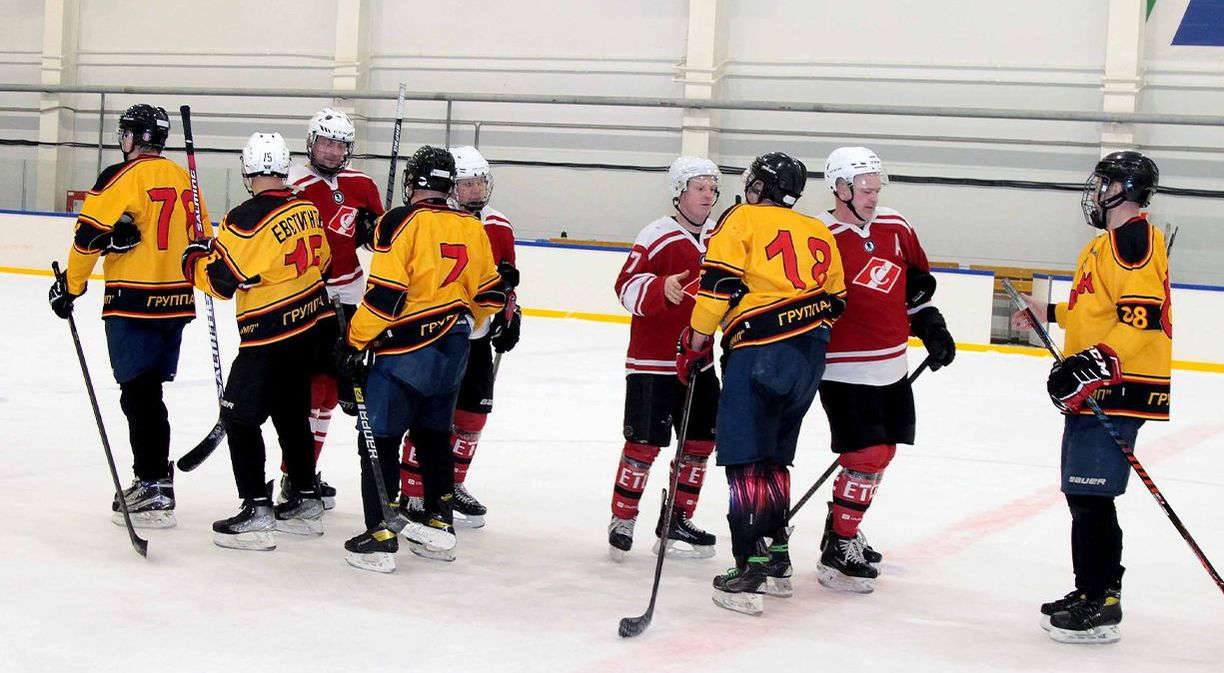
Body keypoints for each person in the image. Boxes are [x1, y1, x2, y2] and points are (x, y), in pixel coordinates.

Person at [677, 152, 846, 615]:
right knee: (774, 458)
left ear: (759, 186)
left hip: (758, 354)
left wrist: (696, 341)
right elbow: (837, 300)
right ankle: (776, 560)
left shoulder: (741, 218)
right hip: (808, 358)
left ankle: (749, 568)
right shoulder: (818, 229)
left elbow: (717, 286)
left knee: (745, 460)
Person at [1012, 151, 1169, 644]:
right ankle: (1091, 590)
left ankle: (1102, 601)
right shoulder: (1105, 244)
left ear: (1123, 189)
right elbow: (1099, 309)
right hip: (1101, 383)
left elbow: (1141, 319)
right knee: (1082, 494)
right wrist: (1050, 312)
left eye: (1104, 184)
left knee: (1092, 495)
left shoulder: (1134, 239)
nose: (1096, 193)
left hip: (1119, 385)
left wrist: (1095, 363)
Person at [336, 146, 509, 574]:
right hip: (454, 352)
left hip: (405, 352)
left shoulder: (401, 221)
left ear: (412, 182)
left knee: (379, 439)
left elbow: (385, 297)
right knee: (433, 437)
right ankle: (439, 524)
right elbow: (490, 295)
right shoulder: (471, 225)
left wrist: (354, 341)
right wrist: (457, 319)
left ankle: (380, 535)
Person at [48, 103, 211, 530]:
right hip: (177, 303)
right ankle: (157, 479)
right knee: (149, 393)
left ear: (135, 138)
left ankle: (153, 483)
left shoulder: (119, 176)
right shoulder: (184, 178)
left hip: (133, 301)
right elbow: (203, 239)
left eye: (125, 133)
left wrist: (71, 286)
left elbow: (87, 236)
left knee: (138, 395)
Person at [182, 132, 335, 551]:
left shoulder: (243, 219)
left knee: (238, 417)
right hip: (309, 330)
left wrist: (193, 259)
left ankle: (256, 509)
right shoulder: (306, 207)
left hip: (268, 337)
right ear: (284, 167)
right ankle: (305, 499)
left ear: (248, 170)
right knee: (291, 414)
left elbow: (221, 282)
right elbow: (322, 263)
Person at [814, 147, 956, 593]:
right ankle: (838, 548)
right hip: (843, 367)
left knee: (884, 452)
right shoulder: (818, 234)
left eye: (877, 188)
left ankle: (843, 527)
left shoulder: (896, 225)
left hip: (892, 362)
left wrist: (931, 327)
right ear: (840, 188)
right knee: (867, 454)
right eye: (865, 189)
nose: (874, 197)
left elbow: (914, 285)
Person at [398, 145, 520, 538]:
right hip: (436, 335)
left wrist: (510, 313)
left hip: (477, 338)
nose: (475, 190)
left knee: (472, 419)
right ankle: (412, 492)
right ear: (451, 186)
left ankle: (451, 485)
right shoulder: (433, 221)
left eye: (480, 182)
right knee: (429, 419)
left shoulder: (499, 224)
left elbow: (507, 280)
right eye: (467, 183)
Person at [606, 155, 721, 562]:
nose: (708, 194)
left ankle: (678, 517)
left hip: (701, 362)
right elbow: (624, 286)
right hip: (652, 363)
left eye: (712, 188)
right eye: (699, 187)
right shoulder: (656, 235)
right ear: (679, 192)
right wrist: (659, 288)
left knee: (699, 444)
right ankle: (623, 518)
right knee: (643, 444)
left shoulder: (720, 237)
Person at [282, 107, 385, 510]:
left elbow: (381, 244)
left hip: (352, 296)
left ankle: (304, 472)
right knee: (311, 390)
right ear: (311, 143)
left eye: (340, 145)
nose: (332, 151)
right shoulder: (292, 182)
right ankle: (294, 476)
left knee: (330, 395)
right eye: (326, 142)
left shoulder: (363, 184)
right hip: (309, 298)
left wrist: (374, 230)